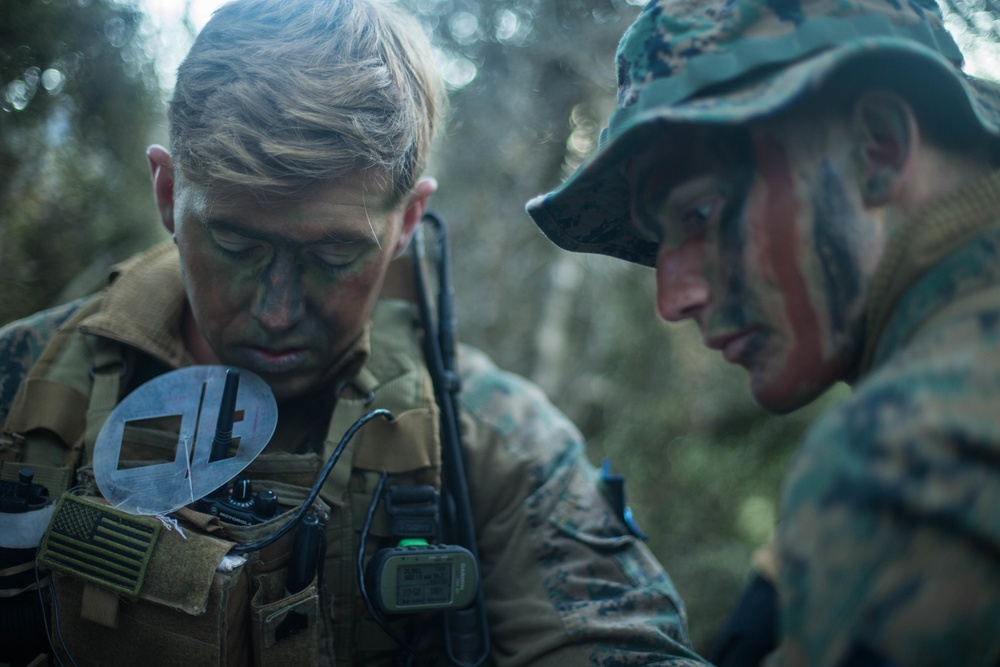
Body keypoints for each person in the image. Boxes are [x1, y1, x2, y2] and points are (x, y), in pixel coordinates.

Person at [0, 1, 710, 665]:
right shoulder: (21, 381)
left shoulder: (487, 441)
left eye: (334, 255)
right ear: (166, 193)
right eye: (237, 245)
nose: (277, 310)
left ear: (407, 222)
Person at [526, 0, 1000, 665]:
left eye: (701, 211)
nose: (673, 296)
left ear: (882, 148)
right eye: (662, 240)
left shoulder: (907, 448)